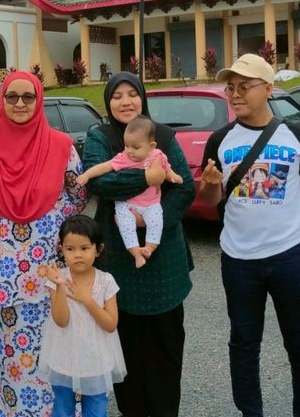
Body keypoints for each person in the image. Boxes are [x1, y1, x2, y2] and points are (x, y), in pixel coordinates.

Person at [199, 53, 300, 417]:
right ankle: (251, 412)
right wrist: (209, 187)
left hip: (289, 257)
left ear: (267, 88)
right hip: (238, 261)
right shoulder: (220, 140)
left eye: (244, 87)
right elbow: (213, 199)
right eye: (230, 88)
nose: (235, 94)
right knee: (244, 345)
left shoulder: (295, 137)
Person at [0, 70, 87, 416]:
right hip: (6, 276)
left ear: (39, 101)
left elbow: (78, 196)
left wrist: (46, 215)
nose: (20, 103)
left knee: (60, 353)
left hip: (52, 273)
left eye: (28, 97)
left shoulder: (61, 146)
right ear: (1, 102)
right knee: (13, 361)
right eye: (11, 97)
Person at [82, 71, 195, 417]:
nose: (125, 101)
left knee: (165, 351)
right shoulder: (99, 137)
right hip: (118, 261)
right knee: (125, 353)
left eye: (132, 94)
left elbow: (185, 186)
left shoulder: (162, 136)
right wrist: (148, 177)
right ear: (108, 102)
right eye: (117, 95)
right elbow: (100, 184)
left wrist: (153, 217)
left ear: (143, 98)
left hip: (164, 262)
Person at [40, 215, 127, 417]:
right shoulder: (57, 279)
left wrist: (87, 300)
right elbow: (61, 321)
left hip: (95, 357)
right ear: (61, 249)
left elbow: (111, 324)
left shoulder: (106, 281)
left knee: (96, 410)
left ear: (98, 249)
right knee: (62, 408)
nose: (77, 254)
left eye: (84, 248)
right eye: (70, 249)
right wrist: (60, 286)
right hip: (64, 355)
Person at [77, 115, 183, 268]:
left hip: (151, 203)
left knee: (156, 222)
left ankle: (149, 247)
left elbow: (167, 168)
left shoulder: (157, 156)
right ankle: (135, 252)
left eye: (135, 147)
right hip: (127, 204)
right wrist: (87, 175)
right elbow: (104, 167)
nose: (129, 151)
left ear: (151, 146)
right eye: (126, 146)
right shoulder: (124, 158)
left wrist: (173, 176)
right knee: (125, 225)